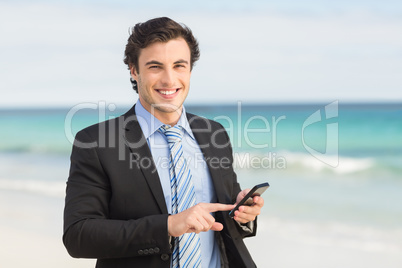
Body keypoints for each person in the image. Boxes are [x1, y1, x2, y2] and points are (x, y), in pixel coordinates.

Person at [63, 17, 264, 268]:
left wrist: (242, 215)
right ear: (134, 71)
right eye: (155, 67)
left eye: (179, 65)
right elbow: (78, 236)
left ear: (190, 69)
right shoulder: (95, 142)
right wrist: (169, 226)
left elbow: (224, 225)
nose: (169, 80)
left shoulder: (215, 133)